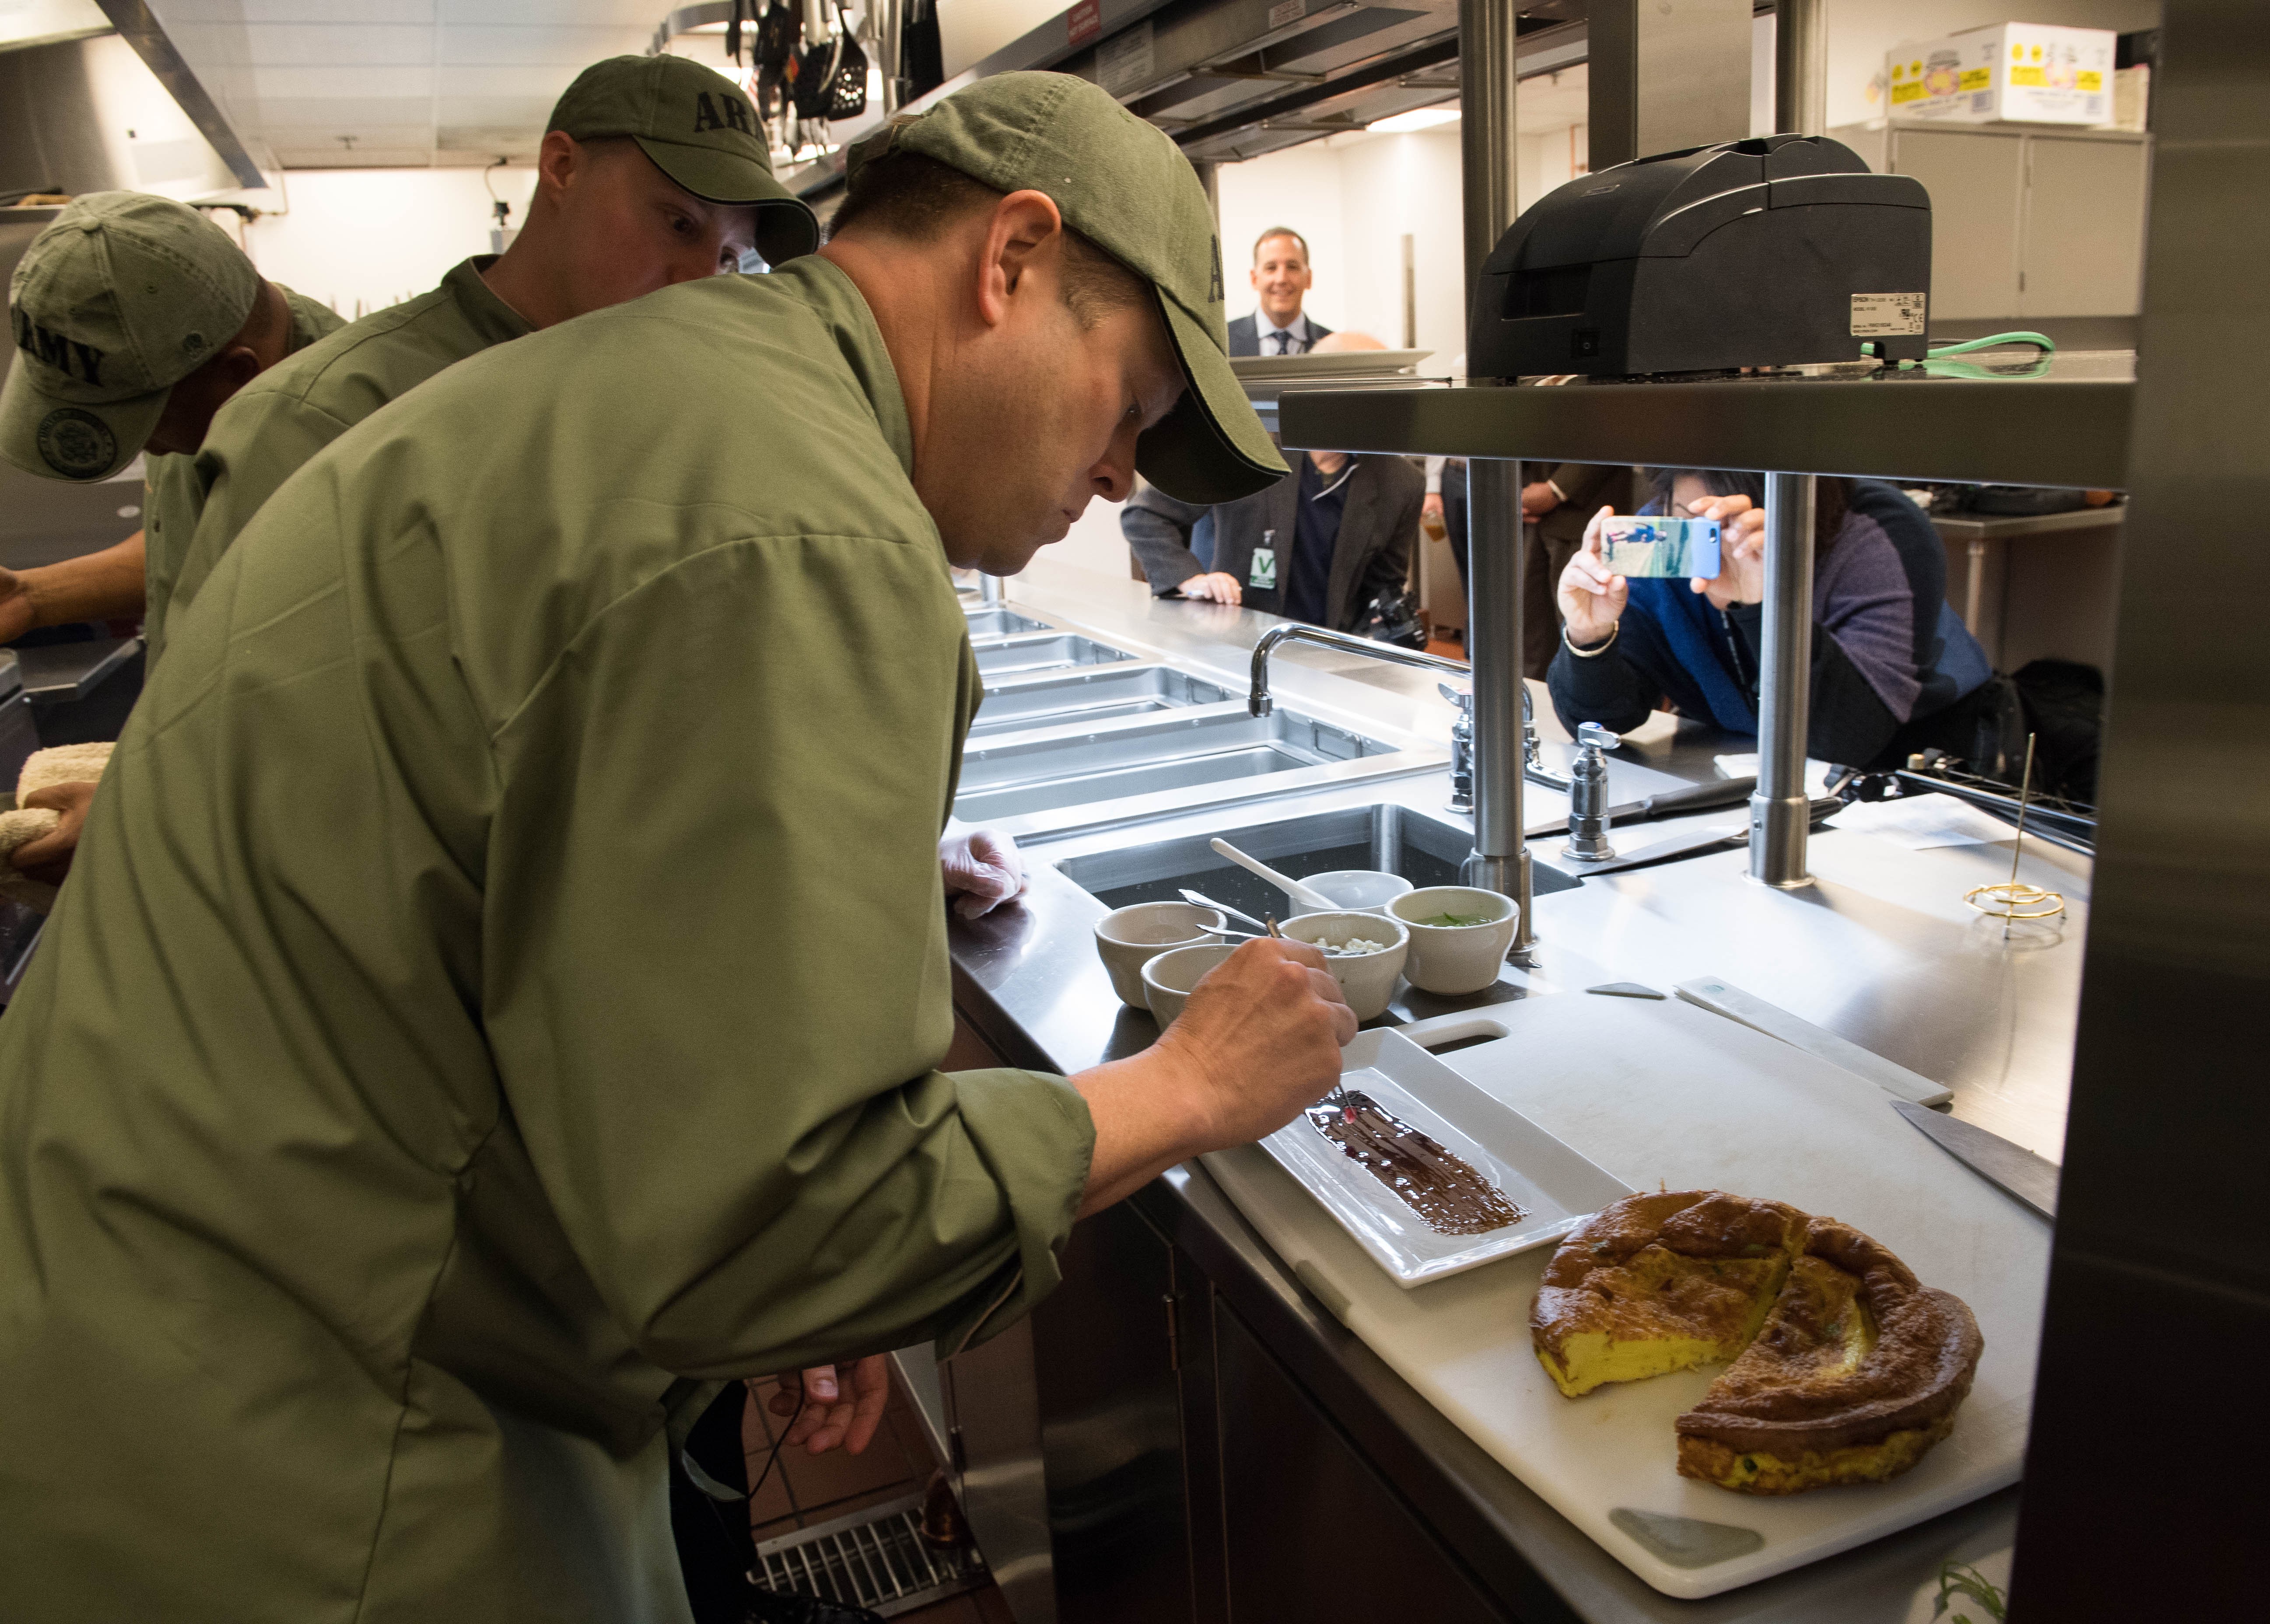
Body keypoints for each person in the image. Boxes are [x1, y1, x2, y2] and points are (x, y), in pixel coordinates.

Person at [0, 70, 1351, 1624]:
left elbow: (556, 922)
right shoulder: (798, 527)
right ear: (1013, 261)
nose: (1123, 472)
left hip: (145, 1364)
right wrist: (1181, 1087)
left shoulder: (667, 392)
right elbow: (788, 1235)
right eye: (1136, 404)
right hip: (325, 1471)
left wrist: (782, 1139)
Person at [156, 53, 819, 670]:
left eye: (731, 259)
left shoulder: (683, 420)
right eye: (679, 224)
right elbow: (235, 717)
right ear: (562, 167)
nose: (699, 280)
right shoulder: (329, 415)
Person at [0, 192, 344, 877]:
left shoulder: (346, 450)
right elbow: (200, 549)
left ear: (236, 374)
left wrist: (157, 811)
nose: (147, 445)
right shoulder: (197, 370)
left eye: (142, 422)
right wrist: (33, 596)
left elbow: (342, 734)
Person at [1548, 469, 2001, 769]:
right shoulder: (1662, 539)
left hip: (1908, 771)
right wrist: (1590, 638)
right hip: (1743, 764)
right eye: (1685, 518)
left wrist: (1762, 605)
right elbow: (1601, 723)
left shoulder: (1876, 531)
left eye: (1726, 527)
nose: (1706, 547)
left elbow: (1842, 742)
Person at [1123, 332, 1420, 633]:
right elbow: (1146, 516)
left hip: (1325, 655)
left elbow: (1383, 587)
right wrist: (1191, 579)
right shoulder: (1244, 447)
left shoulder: (1402, 484)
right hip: (1234, 639)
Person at [1519, 459, 1640, 677]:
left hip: (1585, 508)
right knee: (1531, 640)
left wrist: (1556, 489)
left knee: (1593, 638)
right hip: (1528, 503)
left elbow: (1613, 430)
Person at [1224, 225, 1331, 356]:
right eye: (1271, 268)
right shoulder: (1223, 342)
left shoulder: (1334, 347)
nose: (1282, 279)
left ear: (1309, 279)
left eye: (1292, 267)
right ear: (1254, 279)